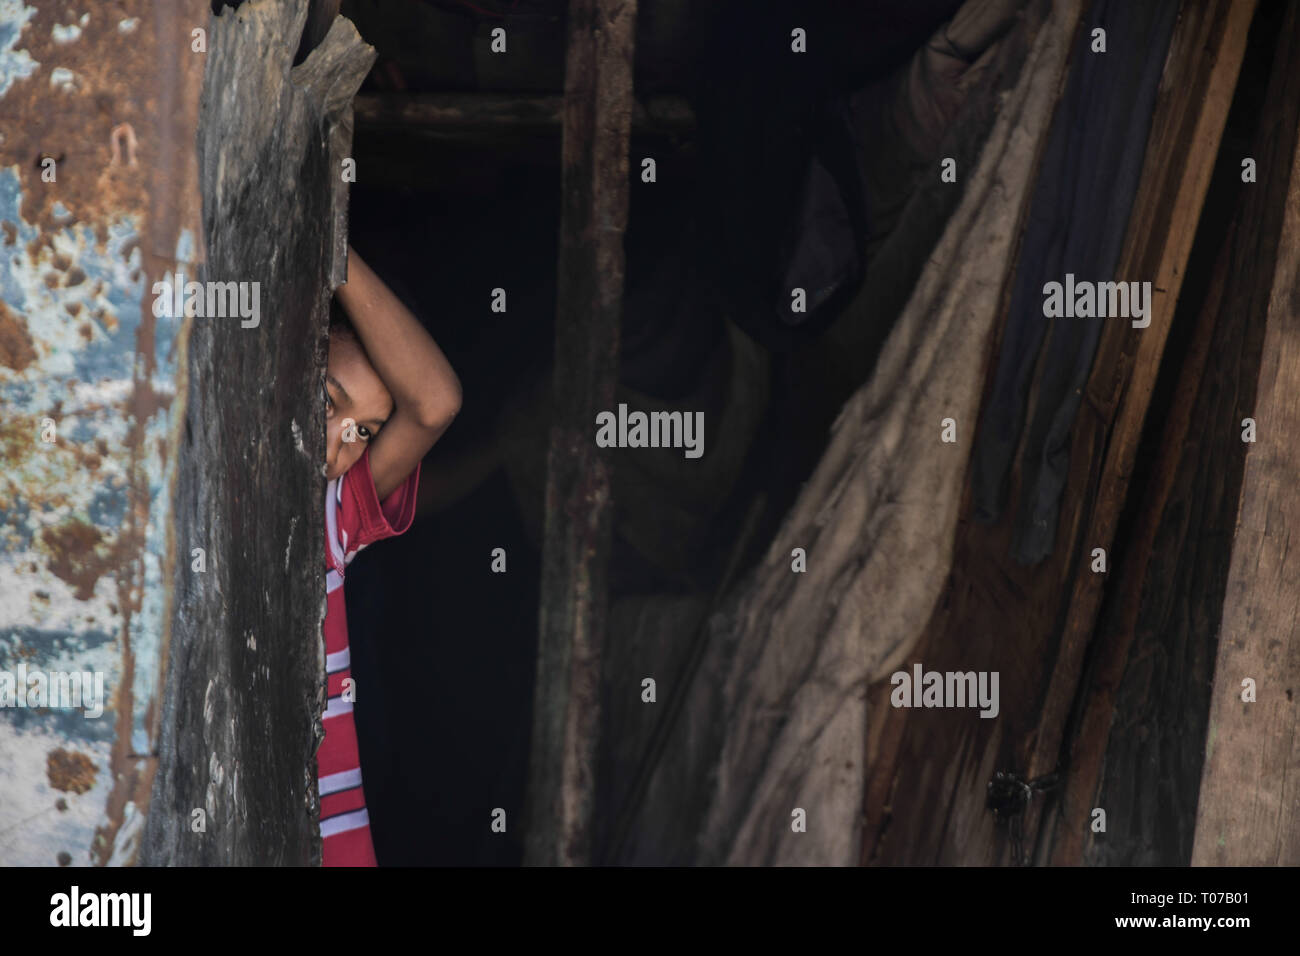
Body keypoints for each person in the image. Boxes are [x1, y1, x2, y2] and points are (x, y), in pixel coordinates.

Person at [318, 244, 461, 866]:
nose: (337, 447)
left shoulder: (333, 516)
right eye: (327, 402)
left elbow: (434, 404)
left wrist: (333, 243)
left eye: (366, 432)